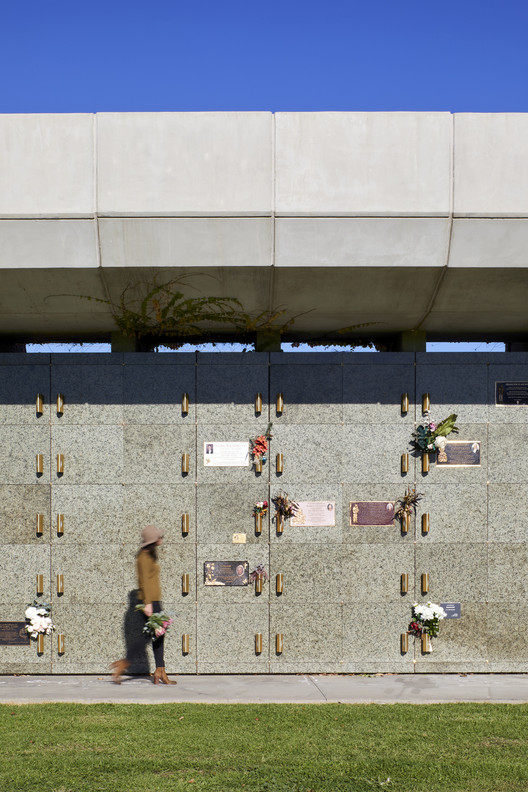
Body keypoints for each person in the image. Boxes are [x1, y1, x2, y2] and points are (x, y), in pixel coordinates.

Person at [110, 524, 176, 685]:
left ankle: (160, 670)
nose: (161, 540)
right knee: (148, 637)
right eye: (158, 538)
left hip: (154, 601)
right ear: (152, 541)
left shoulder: (150, 554)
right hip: (150, 602)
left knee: (157, 636)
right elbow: (144, 582)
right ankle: (125, 663)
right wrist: (148, 604)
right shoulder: (144, 558)